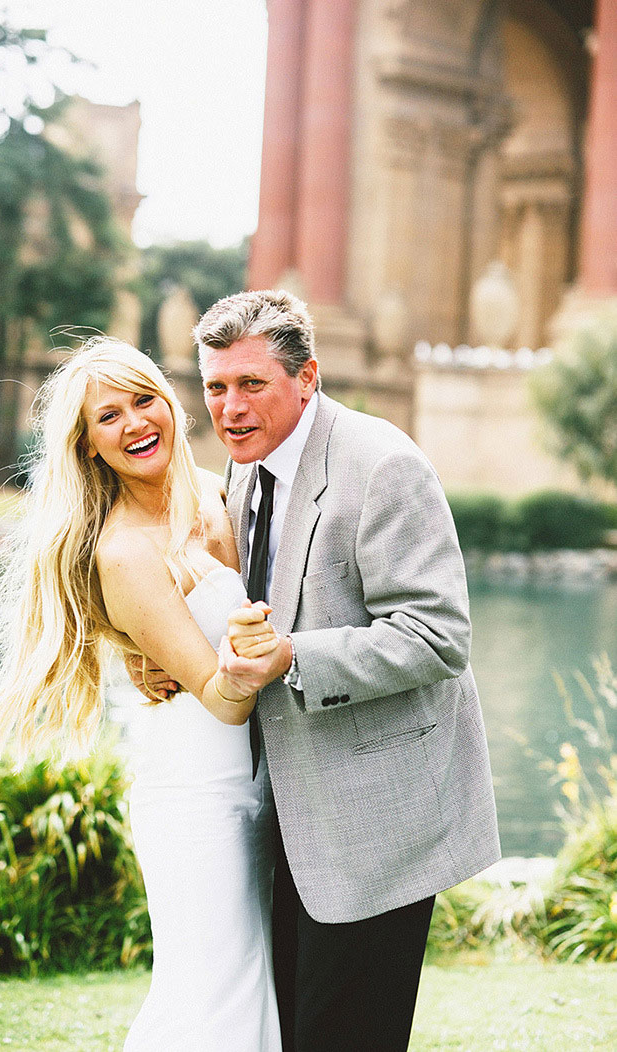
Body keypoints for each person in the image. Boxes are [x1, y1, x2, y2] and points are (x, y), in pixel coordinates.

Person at [192, 289, 501, 1052]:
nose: (230, 408)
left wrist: (296, 656)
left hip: (376, 820)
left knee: (346, 1035)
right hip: (289, 819)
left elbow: (438, 635)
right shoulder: (243, 471)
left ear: (308, 378)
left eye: (252, 384)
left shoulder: (383, 465)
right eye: (215, 387)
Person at [0, 337, 284, 1052]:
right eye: (108, 417)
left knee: (257, 998)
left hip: (265, 788)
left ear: (169, 403)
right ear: (87, 448)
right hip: (197, 803)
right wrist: (243, 654)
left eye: (144, 401)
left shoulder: (217, 490)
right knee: (210, 1005)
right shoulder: (124, 551)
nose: (135, 423)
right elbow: (224, 698)